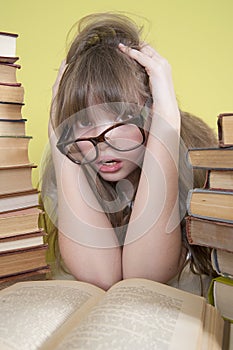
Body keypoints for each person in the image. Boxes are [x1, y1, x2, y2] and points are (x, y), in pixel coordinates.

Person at [41, 12, 217, 294]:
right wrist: (58, 135)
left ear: (153, 110)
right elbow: (100, 277)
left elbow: (144, 277)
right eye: (84, 121)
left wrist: (167, 124)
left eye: (121, 117)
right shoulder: (72, 156)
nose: (103, 143)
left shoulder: (193, 160)